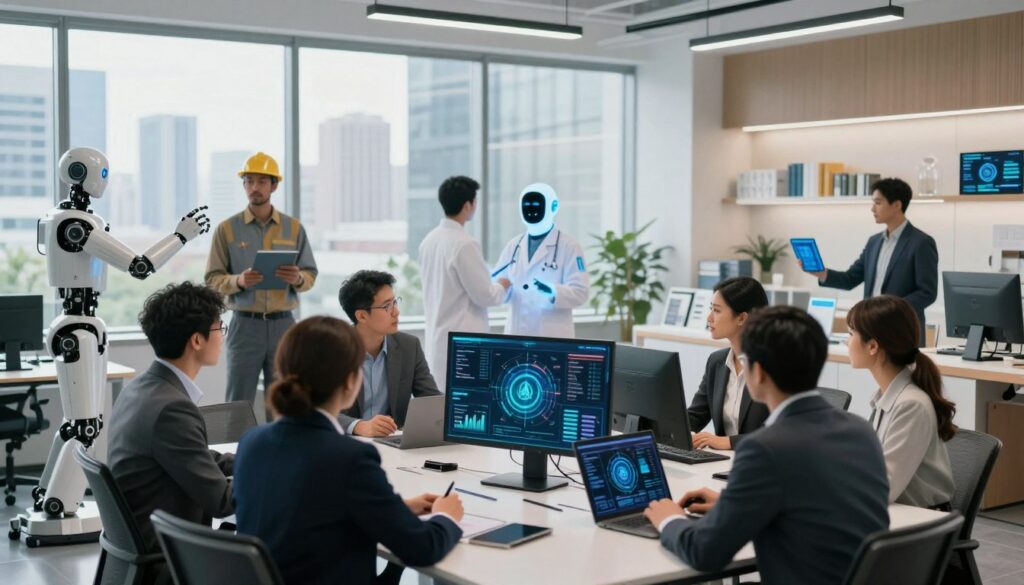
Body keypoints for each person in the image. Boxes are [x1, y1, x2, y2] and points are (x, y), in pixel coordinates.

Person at [644, 306, 889, 585]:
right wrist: (731, 504)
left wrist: (669, 520)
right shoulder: (861, 430)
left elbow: (705, 553)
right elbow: (813, 503)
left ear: (757, 372)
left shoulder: (765, 448)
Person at [233, 316, 464, 585]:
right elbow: (423, 549)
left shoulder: (252, 442)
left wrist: (396, 508)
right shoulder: (349, 458)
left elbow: (309, 510)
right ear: (350, 382)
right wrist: (446, 516)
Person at [107, 282, 234, 563]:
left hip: (143, 539)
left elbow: (188, 454)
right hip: (169, 553)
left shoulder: (141, 387)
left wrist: (247, 459)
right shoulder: (172, 409)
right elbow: (222, 501)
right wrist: (274, 472)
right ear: (196, 340)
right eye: (219, 328)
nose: (222, 337)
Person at [204, 152, 318, 405]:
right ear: (244, 184)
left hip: (284, 325)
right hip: (245, 326)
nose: (254, 188)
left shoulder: (294, 228)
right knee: (238, 401)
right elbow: (212, 279)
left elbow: (311, 275)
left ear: (274, 185)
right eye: (249, 181)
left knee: (285, 400)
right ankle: (234, 446)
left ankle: (281, 445)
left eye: (262, 182)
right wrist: (238, 282)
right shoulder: (227, 229)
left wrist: (298, 277)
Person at [847, 295, 956, 508]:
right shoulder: (885, 397)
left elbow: (882, 487)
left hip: (922, 525)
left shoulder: (911, 405)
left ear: (872, 347)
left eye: (850, 334)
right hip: (897, 511)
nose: (846, 342)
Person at [801, 177, 938, 345]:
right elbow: (850, 279)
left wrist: (889, 309)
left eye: (878, 202)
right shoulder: (874, 242)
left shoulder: (921, 242)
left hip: (903, 331)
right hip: (871, 329)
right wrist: (821, 273)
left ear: (897, 205)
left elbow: (927, 293)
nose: (872, 208)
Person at [418, 176, 510, 390]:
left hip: (438, 338)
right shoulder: (464, 244)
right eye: (475, 202)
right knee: (467, 403)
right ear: (468, 205)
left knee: (443, 402)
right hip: (463, 341)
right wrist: (503, 285)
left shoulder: (429, 241)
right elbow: (485, 295)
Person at [337, 270, 441, 437]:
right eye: (387, 306)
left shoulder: (409, 346)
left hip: (393, 444)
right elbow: (316, 409)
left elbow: (431, 400)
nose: (396, 312)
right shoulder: (333, 349)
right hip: (346, 444)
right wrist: (359, 426)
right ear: (362, 316)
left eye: (395, 302)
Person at [494, 183, 590, 338]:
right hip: (516, 333)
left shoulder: (569, 246)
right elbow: (500, 285)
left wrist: (553, 291)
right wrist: (501, 288)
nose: (531, 210)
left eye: (537, 205)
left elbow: (581, 292)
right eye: (527, 205)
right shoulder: (514, 246)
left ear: (553, 207)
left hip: (551, 334)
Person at [687, 277, 770, 450]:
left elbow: (780, 431)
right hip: (725, 463)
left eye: (717, 311)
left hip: (763, 465)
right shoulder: (716, 362)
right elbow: (695, 416)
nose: (709, 318)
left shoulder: (774, 364)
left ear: (741, 318)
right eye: (711, 309)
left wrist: (729, 442)